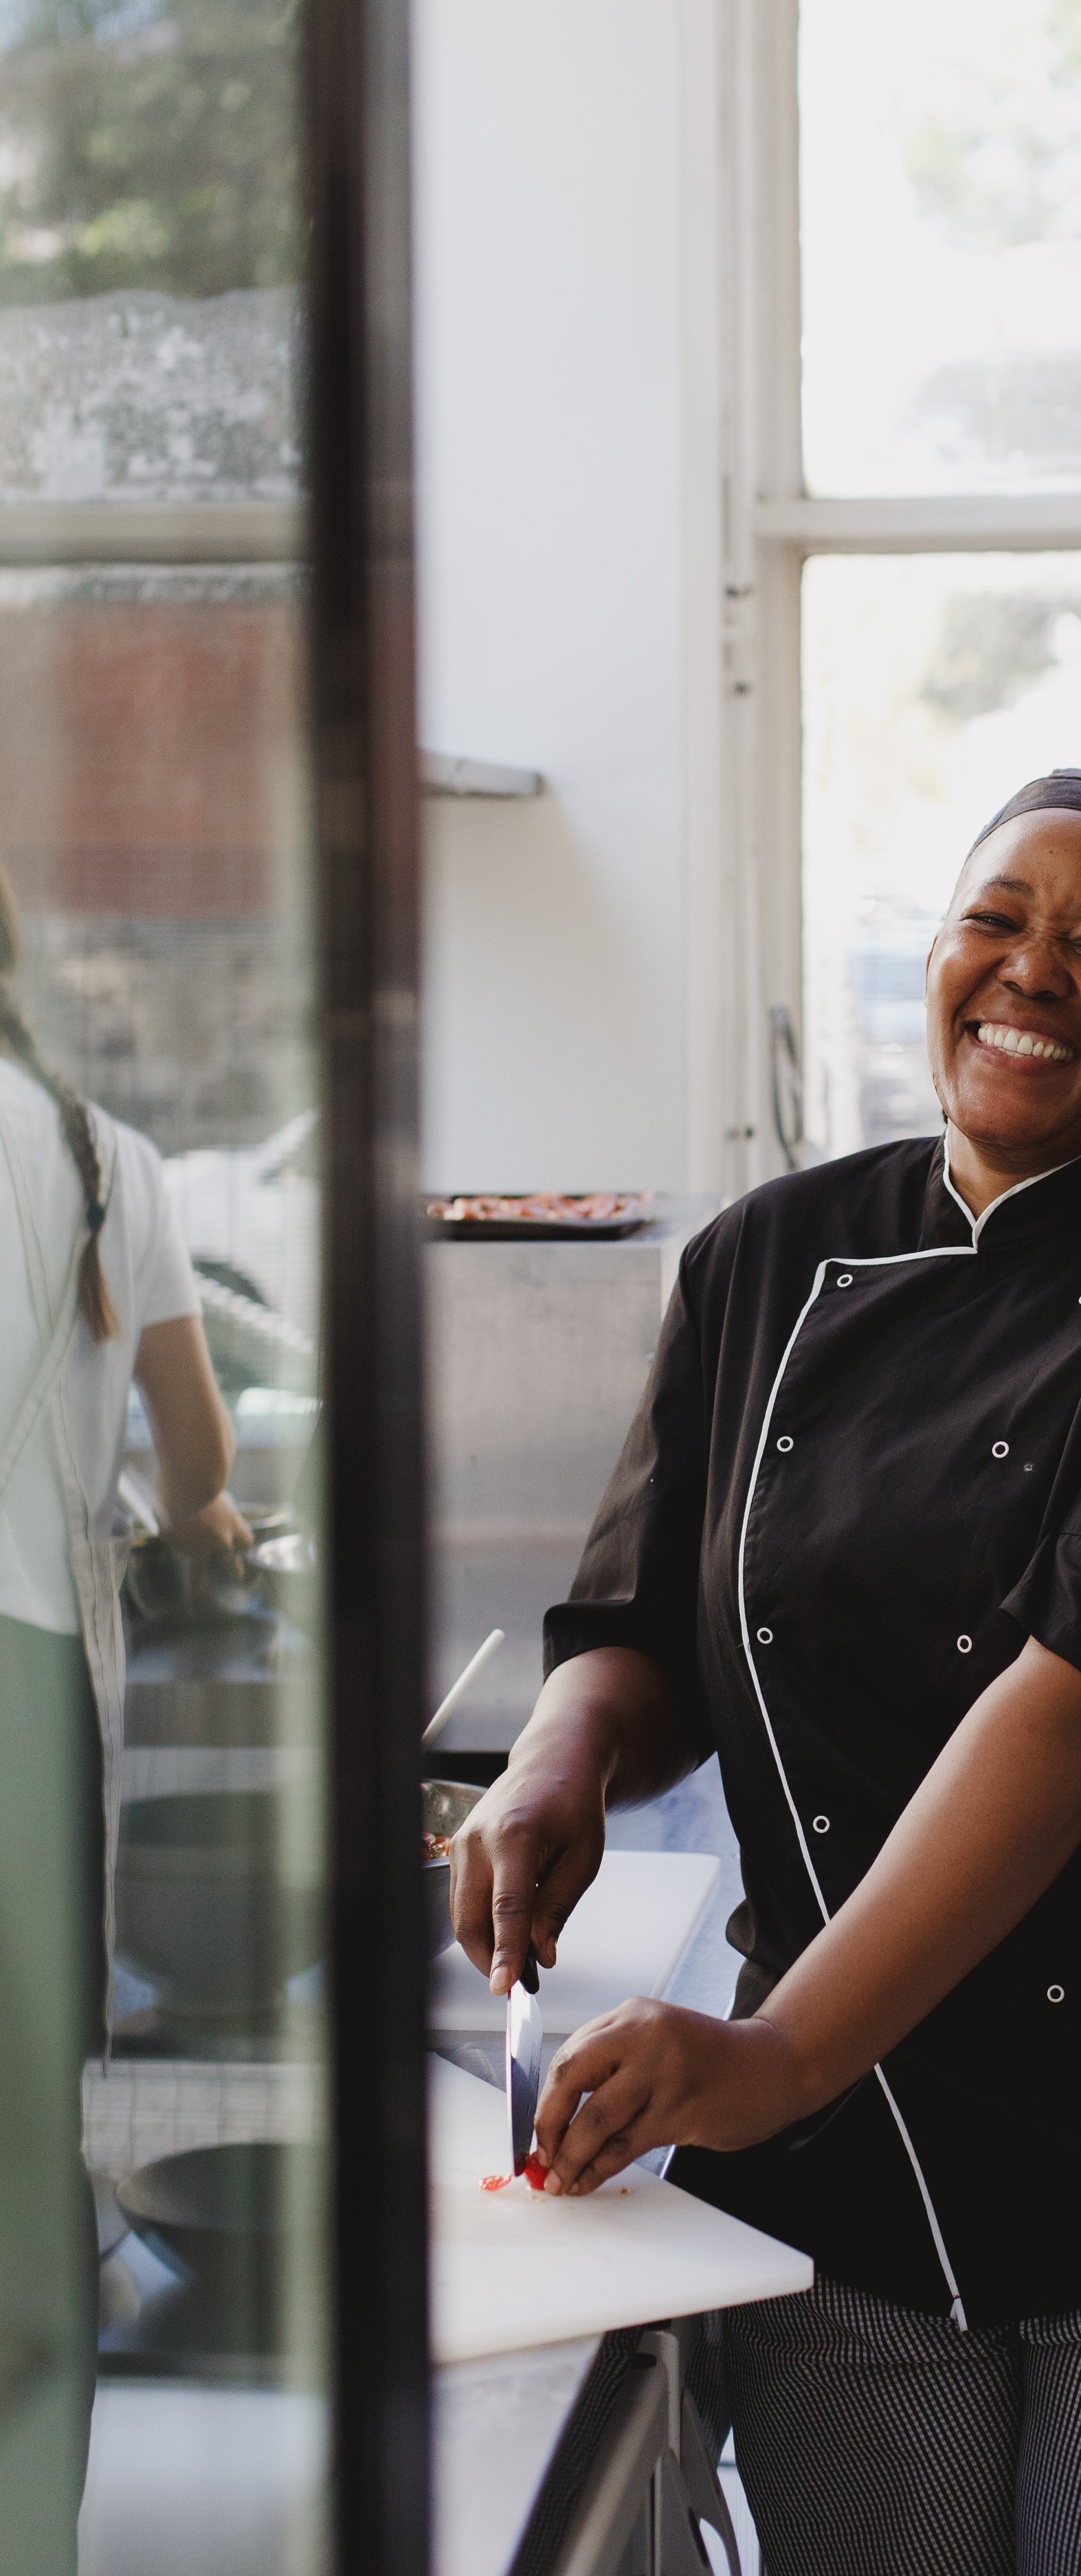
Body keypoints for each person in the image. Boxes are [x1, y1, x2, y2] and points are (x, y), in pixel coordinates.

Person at [455, 769, 1081, 2576]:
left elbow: (1071, 1699)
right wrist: (554, 1764)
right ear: (935, 956)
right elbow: (641, 1623)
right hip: (855, 2178)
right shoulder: (763, 1255)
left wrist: (771, 2056)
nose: (1031, 968)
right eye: (995, 918)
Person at [0, 867, 251, 2576]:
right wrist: (188, 1512)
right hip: (30, 1694)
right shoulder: (103, 1156)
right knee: (29, 2154)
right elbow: (199, 1449)